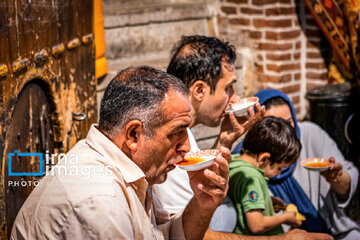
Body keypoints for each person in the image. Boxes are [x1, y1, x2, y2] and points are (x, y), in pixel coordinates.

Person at [11, 66, 230, 240]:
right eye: (176, 134)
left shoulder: (132, 168)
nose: (186, 148)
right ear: (134, 135)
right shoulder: (100, 202)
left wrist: (202, 204)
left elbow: (166, 235)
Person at [153, 35, 333, 240]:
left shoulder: (185, 132)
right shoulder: (171, 147)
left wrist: (225, 140)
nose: (235, 98)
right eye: (228, 88)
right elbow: (193, 234)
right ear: (200, 90)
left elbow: (203, 185)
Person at [231, 89, 360, 240]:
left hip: (333, 230)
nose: (286, 132)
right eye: (275, 126)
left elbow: (349, 181)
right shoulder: (251, 172)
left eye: (288, 123)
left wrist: (337, 177)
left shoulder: (310, 135)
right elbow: (256, 221)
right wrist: (285, 217)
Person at [229, 117, 302, 236]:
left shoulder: (234, 162)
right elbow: (257, 225)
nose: (279, 173)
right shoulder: (252, 178)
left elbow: (242, 200)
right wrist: (285, 218)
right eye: (280, 168)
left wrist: (267, 200)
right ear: (264, 158)